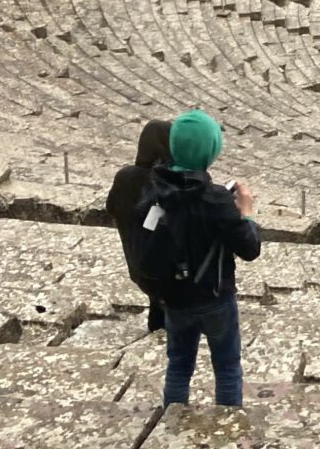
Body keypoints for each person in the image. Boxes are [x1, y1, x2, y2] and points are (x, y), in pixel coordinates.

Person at [150, 111, 263, 408]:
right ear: (210, 150)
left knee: (178, 366)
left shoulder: (156, 191)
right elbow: (250, 248)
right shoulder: (217, 199)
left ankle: (171, 422)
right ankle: (227, 425)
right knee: (227, 368)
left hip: (174, 296)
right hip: (215, 296)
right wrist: (247, 212)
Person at [106, 118, 173, 333]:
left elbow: (111, 207)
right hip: (165, 270)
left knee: (156, 299)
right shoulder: (167, 182)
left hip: (136, 263)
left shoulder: (125, 176)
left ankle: (156, 328)